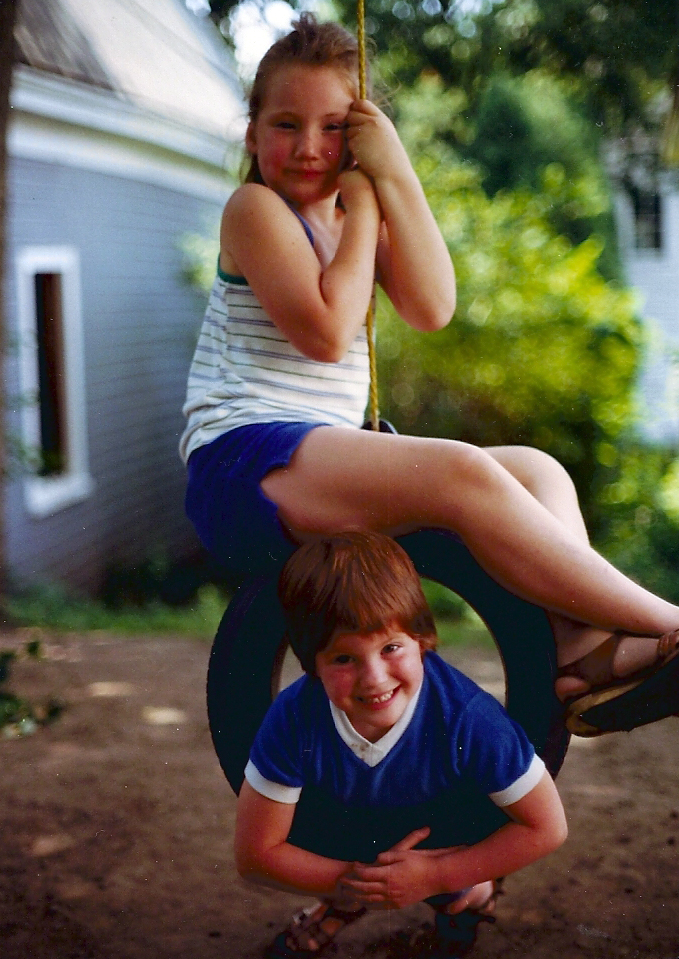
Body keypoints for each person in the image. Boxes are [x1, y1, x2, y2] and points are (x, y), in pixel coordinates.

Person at [180, 13, 679, 736]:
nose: (310, 146)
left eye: (334, 127)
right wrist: (362, 212)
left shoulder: (352, 220)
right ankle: (664, 620)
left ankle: (582, 652)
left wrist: (394, 175)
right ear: (252, 134)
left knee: (536, 471)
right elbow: (326, 334)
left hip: (311, 461)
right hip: (242, 465)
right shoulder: (255, 208)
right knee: (460, 471)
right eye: (286, 124)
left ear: (361, 135)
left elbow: (432, 306)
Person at [234, 532, 568, 958]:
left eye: (390, 647)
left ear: (422, 639)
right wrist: (364, 885)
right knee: (310, 836)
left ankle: (472, 896)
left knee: (462, 888)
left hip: (444, 836)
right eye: (343, 658)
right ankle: (343, 903)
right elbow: (255, 855)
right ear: (311, 663)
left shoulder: (469, 719)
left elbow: (547, 827)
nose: (374, 678)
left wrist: (438, 876)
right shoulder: (293, 718)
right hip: (344, 841)